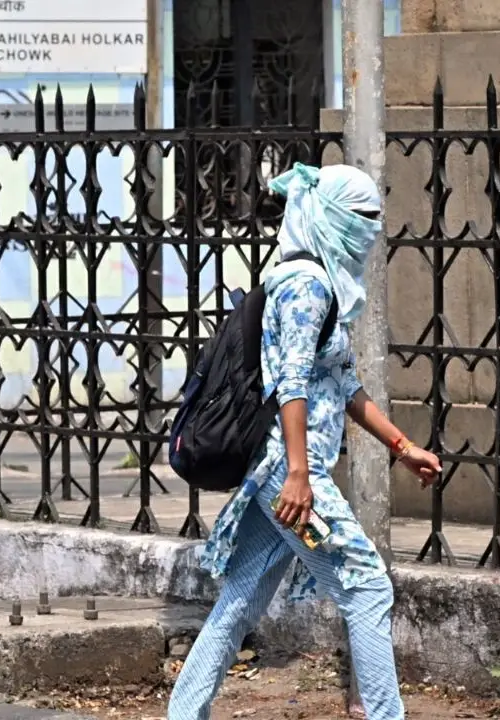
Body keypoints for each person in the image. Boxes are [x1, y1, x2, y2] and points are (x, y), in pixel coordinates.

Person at [167, 163, 442, 720]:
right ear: (330, 216)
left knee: (243, 595)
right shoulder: (305, 285)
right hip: (292, 477)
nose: (369, 230)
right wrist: (298, 475)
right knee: (366, 588)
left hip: (290, 473)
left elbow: (341, 383)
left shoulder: (321, 282)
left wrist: (402, 446)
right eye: (360, 218)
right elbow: (290, 381)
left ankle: (183, 714)